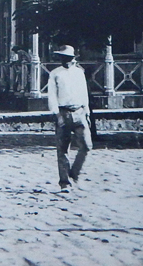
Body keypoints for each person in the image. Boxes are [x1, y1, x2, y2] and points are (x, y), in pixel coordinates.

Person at [47, 45, 92, 192]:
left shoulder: (79, 73)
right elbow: (52, 95)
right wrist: (56, 114)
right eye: (62, 57)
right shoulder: (55, 74)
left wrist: (87, 111)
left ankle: (74, 173)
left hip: (79, 112)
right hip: (63, 113)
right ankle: (65, 182)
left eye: (68, 58)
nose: (65, 60)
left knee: (86, 145)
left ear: (73, 59)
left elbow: (84, 92)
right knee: (62, 149)